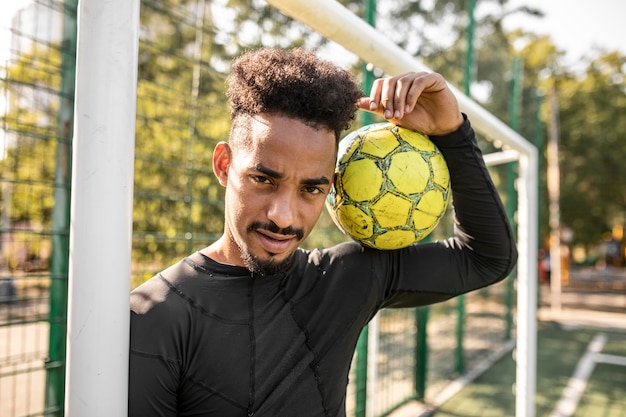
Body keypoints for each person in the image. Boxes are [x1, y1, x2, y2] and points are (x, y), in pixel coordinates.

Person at [129, 47, 517, 417]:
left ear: (331, 189)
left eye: (310, 189)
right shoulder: (155, 316)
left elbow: (487, 257)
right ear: (224, 165)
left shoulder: (342, 281)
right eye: (264, 179)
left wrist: (451, 132)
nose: (283, 216)